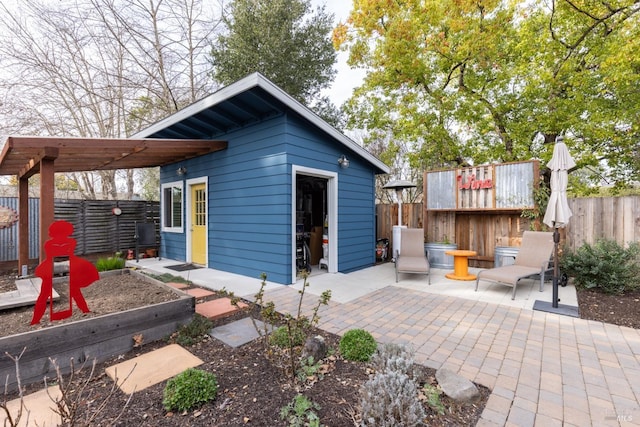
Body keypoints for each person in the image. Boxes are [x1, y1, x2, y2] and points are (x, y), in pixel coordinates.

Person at [31, 220, 99, 325]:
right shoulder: (69, 242)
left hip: (61, 266)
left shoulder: (52, 243)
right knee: (49, 294)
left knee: (46, 294)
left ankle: (35, 320)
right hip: (54, 267)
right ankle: (35, 319)